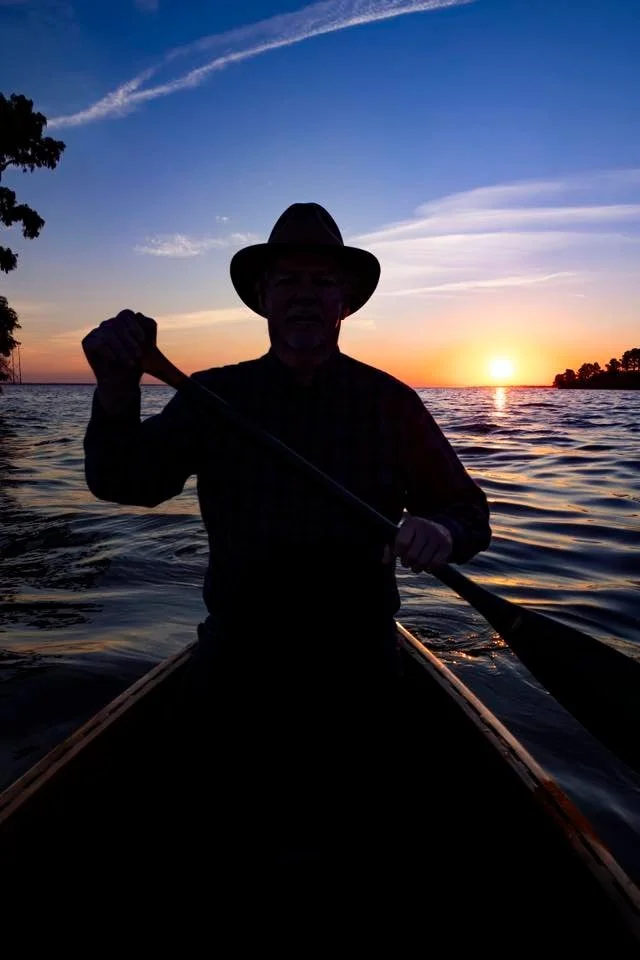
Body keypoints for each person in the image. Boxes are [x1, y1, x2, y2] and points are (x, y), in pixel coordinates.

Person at [81, 202, 491, 870]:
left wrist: (439, 528)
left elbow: (468, 510)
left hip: (358, 663)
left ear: (345, 302)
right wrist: (116, 388)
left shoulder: (391, 402)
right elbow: (124, 480)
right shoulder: (215, 397)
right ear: (264, 299)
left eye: (321, 281)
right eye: (287, 281)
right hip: (239, 657)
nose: (304, 294)